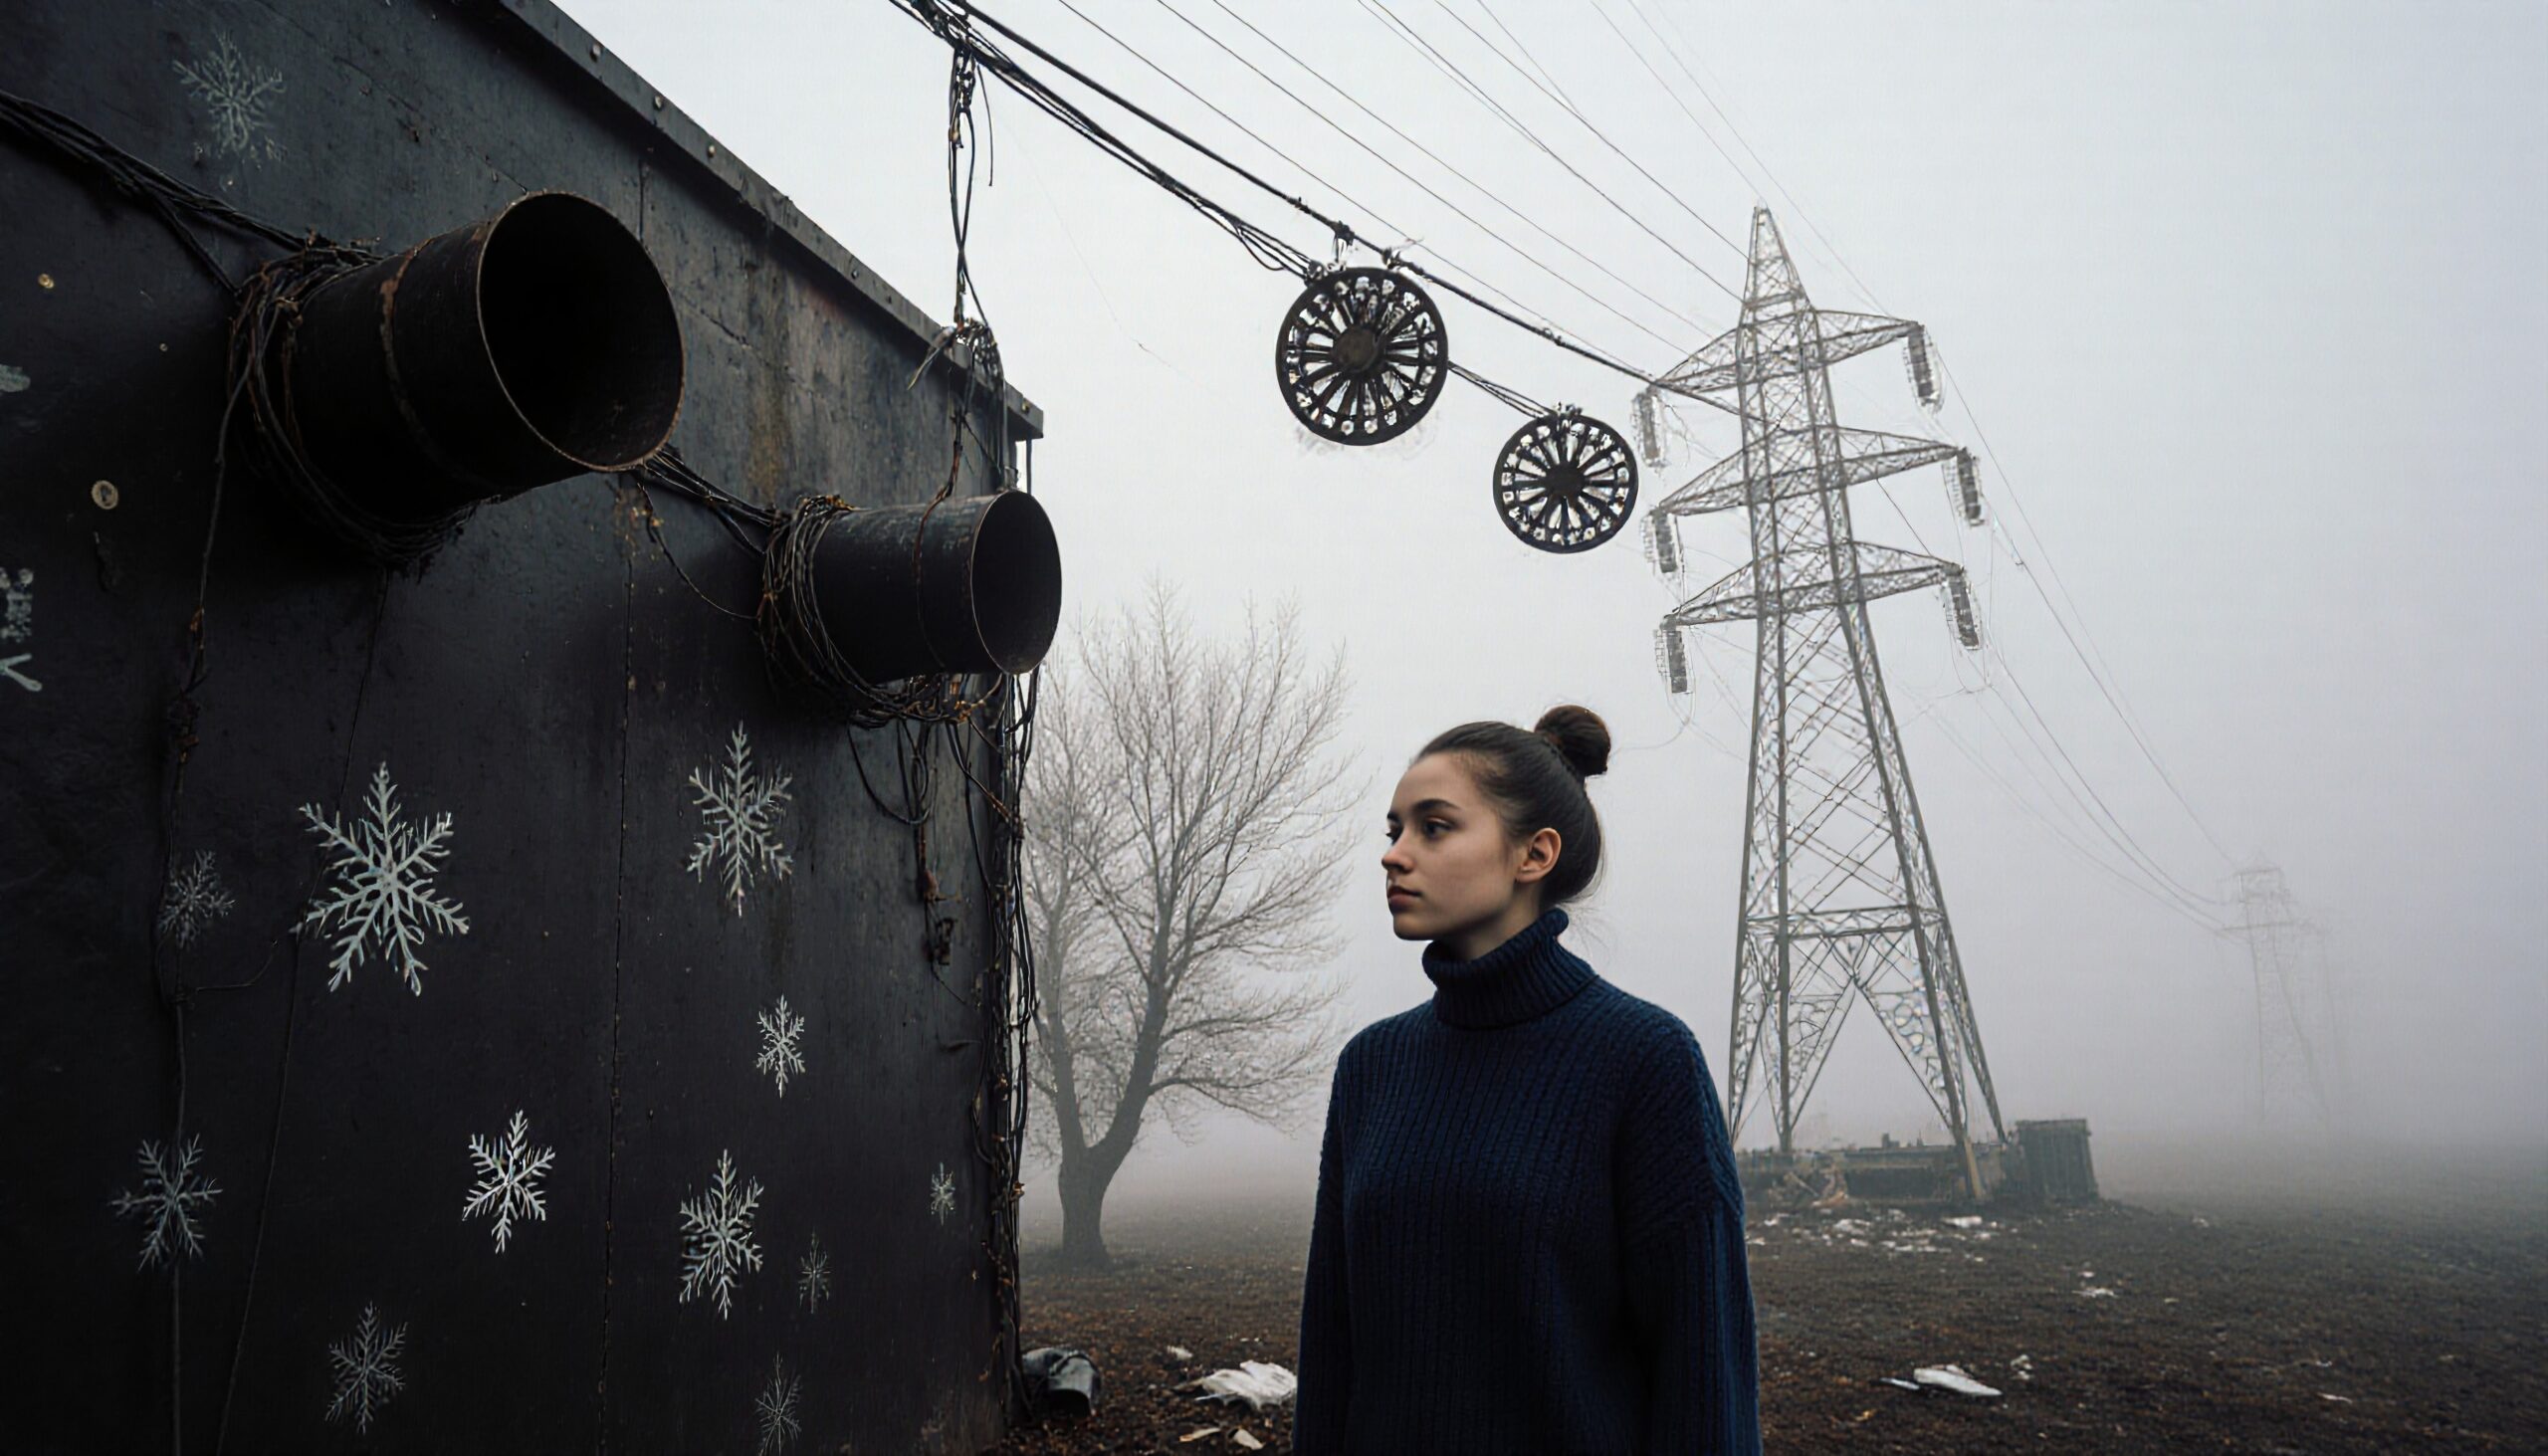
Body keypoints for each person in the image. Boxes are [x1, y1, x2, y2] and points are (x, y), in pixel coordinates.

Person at [1293, 706, 1762, 1455]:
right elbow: (1331, 1348)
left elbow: (1701, 1368)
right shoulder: (1371, 1067)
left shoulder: (1645, 1059)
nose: (1394, 854)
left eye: (1434, 826)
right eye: (1394, 831)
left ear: (1534, 854)